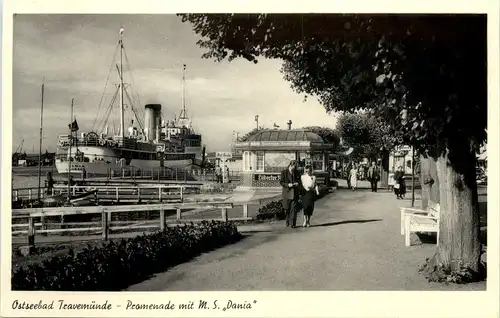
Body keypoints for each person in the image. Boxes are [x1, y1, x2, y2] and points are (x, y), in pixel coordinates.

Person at [280, 160, 302, 228]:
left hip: (294, 193)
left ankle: (293, 223)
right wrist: (287, 185)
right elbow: (281, 182)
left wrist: (297, 183)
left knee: (294, 209)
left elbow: (299, 181)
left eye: (295, 168)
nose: (294, 169)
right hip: (287, 193)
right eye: (294, 167)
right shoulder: (284, 172)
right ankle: (287, 219)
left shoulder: (297, 172)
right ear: (290, 165)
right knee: (287, 208)